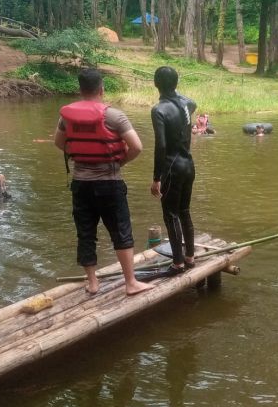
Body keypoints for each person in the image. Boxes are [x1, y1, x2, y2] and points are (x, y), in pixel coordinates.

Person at [54, 68, 153, 296]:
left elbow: (59, 143)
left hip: (80, 183)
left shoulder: (66, 117)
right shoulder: (114, 116)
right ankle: (130, 283)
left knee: (86, 233)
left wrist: (78, 154)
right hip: (110, 183)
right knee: (121, 231)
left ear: (80, 90)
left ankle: (92, 283)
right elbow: (137, 146)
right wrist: (120, 162)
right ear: (102, 89)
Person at [150, 66, 198, 276]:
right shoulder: (186, 103)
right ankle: (189, 256)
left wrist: (156, 178)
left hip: (171, 168)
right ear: (176, 85)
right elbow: (192, 102)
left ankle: (177, 263)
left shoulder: (159, 110)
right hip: (188, 164)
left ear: (155, 84)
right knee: (184, 211)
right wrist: (176, 92)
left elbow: (161, 146)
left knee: (171, 215)